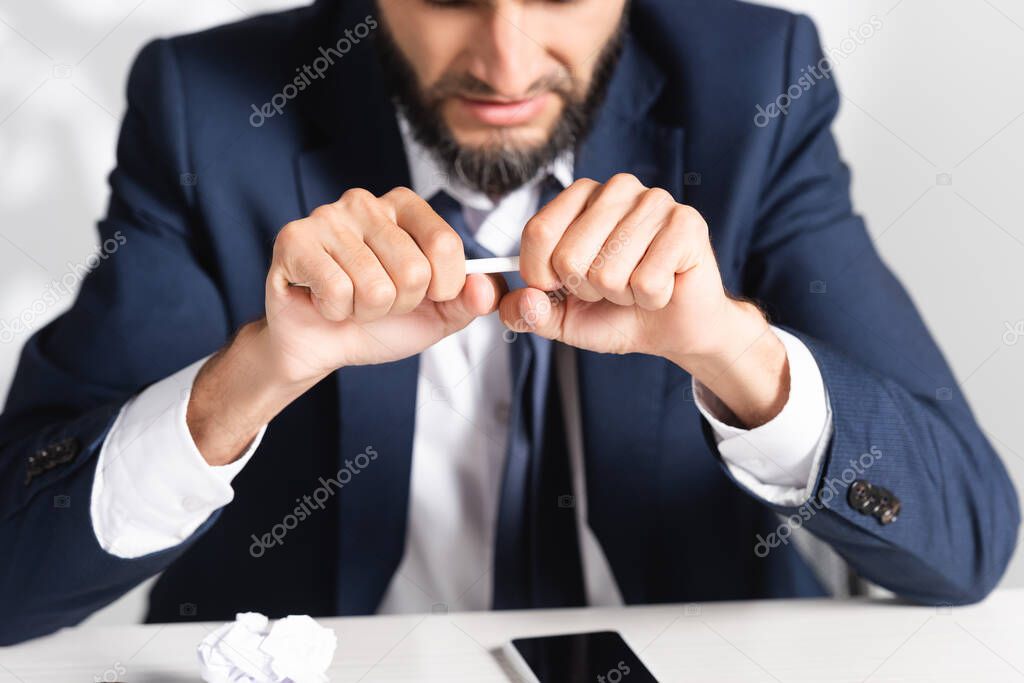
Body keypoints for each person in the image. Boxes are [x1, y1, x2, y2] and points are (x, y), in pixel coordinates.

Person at [0, 0, 1017, 646]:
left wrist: (731, 349)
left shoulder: (757, 86)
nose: (506, 61)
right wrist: (254, 376)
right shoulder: (207, 106)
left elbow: (968, 540)